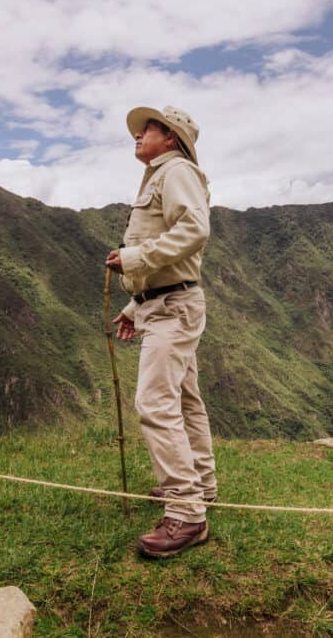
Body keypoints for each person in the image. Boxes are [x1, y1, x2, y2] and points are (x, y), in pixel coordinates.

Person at [105, 105, 218, 559]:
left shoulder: (177, 172)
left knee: (154, 402)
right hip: (166, 304)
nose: (138, 134)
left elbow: (195, 229)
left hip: (174, 309)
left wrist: (133, 259)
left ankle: (188, 514)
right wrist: (136, 304)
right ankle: (201, 486)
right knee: (185, 398)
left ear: (170, 136)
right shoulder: (159, 176)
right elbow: (173, 261)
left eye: (147, 128)